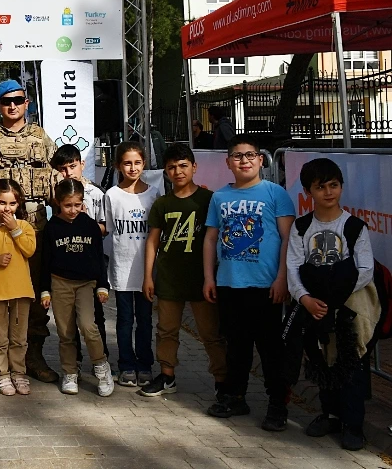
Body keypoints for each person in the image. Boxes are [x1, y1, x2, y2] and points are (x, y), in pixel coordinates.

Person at [0, 79, 60, 384]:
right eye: (6, 101)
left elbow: (60, 173)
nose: (13, 105)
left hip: (33, 228)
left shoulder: (40, 137)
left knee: (32, 296)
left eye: (18, 100)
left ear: (26, 103)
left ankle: (32, 356)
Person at [203, 134, 294, 430]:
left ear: (260, 160)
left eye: (250, 155)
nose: (245, 161)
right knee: (237, 346)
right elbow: (211, 238)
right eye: (238, 156)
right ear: (228, 162)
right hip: (230, 283)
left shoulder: (275, 194)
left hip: (266, 285)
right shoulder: (219, 197)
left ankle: (277, 405)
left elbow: (287, 239)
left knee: (270, 349)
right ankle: (235, 396)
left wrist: (282, 278)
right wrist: (209, 277)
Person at [287, 158, 374, 451]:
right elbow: (293, 268)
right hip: (316, 307)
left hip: (349, 307)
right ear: (308, 191)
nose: (328, 192)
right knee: (323, 360)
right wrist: (306, 299)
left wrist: (335, 297)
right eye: (320, 187)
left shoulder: (354, 227)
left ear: (341, 186)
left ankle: (353, 425)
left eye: (333, 185)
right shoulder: (301, 228)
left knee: (352, 363)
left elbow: (365, 270)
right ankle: (330, 415)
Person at [139, 144, 227, 398]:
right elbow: (153, 241)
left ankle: (222, 381)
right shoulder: (162, 204)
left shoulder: (208, 200)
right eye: (172, 167)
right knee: (166, 330)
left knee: (211, 333)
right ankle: (167, 376)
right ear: (166, 172)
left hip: (202, 278)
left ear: (194, 167)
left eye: (183, 165)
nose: (178, 171)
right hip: (169, 278)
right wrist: (148, 276)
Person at [39, 179, 114, 397]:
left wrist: (102, 285)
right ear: (58, 204)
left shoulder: (90, 226)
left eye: (77, 204)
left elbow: (99, 258)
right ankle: (70, 372)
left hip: (86, 284)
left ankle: (101, 367)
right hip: (60, 283)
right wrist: (45, 290)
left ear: (83, 203)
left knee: (88, 326)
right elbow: (46, 261)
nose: (73, 210)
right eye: (67, 205)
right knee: (65, 331)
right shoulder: (52, 227)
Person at [104, 142, 161, 387]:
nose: (133, 167)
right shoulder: (112, 195)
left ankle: (145, 364)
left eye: (137, 162)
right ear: (118, 165)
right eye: (127, 163)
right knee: (125, 320)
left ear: (144, 164)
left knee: (146, 320)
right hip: (122, 269)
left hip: (147, 270)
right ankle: (126, 365)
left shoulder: (154, 194)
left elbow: (157, 234)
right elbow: (108, 229)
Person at [51, 144, 110, 367]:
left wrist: (86, 227)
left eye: (72, 166)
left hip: (91, 264)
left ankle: (102, 361)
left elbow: (105, 226)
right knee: (68, 323)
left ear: (82, 164)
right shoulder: (57, 194)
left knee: (94, 318)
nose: (68, 173)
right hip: (65, 263)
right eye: (63, 169)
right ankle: (72, 364)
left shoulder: (96, 193)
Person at [0, 179, 37, 396]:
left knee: (19, 338)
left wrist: (15, 229)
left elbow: (29, 250)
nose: (7, 208)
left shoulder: (24, 226)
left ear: (19, 204)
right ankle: (2, 374)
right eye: (2, 203)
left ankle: (19, 372)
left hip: (21, 291)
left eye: (12, 204)